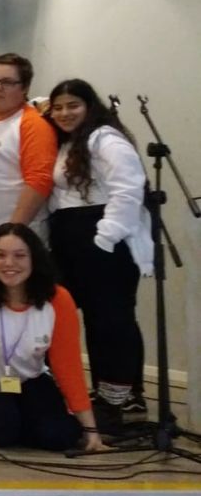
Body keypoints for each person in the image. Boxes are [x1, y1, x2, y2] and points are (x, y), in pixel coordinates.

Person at [0, 223, 105, 452]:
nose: (9, 263)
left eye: (19, 256)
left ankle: (26, 422)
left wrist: (91, 429)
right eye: (0, 255)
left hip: (31, 380)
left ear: (34, 259)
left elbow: (68, 366)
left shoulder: (58, 299)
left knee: (60, 437)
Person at [48, 79, 152, 424]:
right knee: (94, 319)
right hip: (71, 238)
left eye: (73, 105)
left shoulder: (106, 139)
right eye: (58, 107)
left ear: (90, 106)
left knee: (112, 318)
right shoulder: (70, 142)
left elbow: (129, 189)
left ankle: (123, 399)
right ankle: (104, 394)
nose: (64, 113)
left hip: (102, 238)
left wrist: (105, 238)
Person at [0, 53, 57, 259]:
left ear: (24, 88)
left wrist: (11, 236)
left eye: (7, 82)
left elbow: (39, 182)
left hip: (18, 245)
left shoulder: (32, 124)